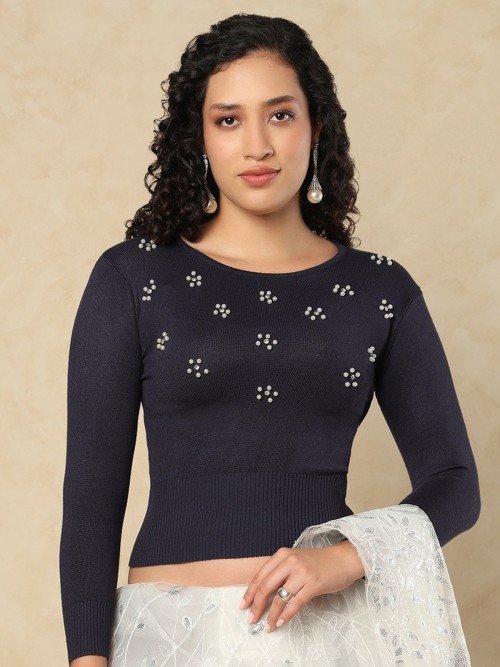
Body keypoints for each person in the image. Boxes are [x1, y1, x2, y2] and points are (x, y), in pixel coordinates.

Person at [59, 13, 480, 666]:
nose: (257, 145)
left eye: (280, 115)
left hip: (332, 642)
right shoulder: (133, 278)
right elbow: (92, 498)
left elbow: (455, 483)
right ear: (199, 137)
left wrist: (348, 556)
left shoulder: (380, 290)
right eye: (229, 119)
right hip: (170, 640)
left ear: (317, 126)